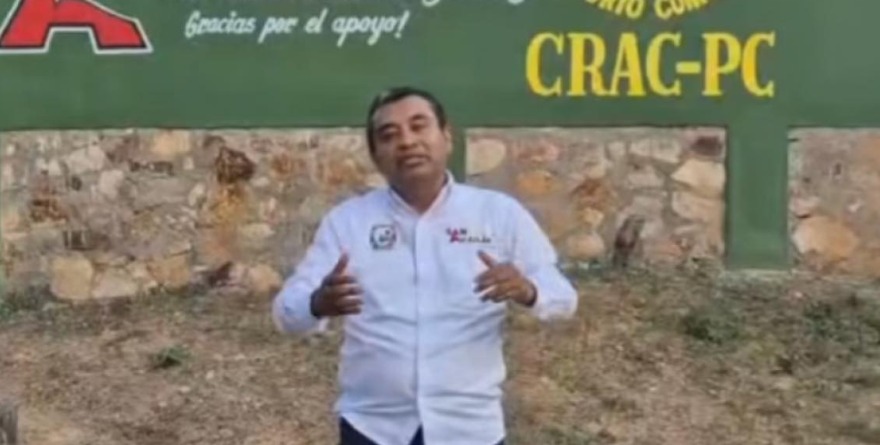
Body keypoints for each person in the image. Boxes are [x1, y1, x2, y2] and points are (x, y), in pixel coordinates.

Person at [272, 86, 579, 445]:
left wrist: (529, 290)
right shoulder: (347, 223)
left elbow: (564, 299)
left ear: (447, 137)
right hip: (374, 428)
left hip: (469, 428)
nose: (407, 141)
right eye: (389, 135)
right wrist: (317, 304)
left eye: (419, 126)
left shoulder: (498, 214)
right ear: (376, 156)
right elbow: (286, 313)